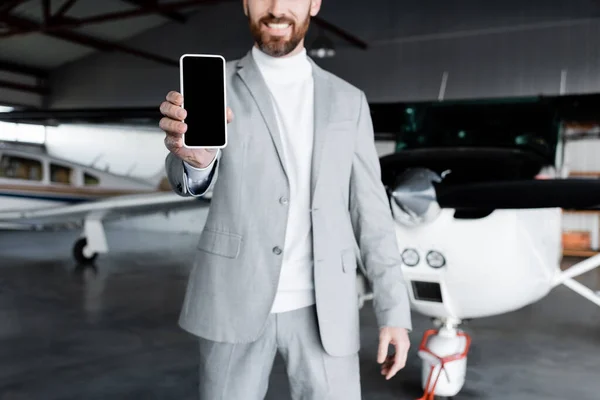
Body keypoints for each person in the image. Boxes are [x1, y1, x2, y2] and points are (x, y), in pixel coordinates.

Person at [159, 0, 412, 398]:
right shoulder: (214, 85)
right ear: (245, 2)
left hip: (325, 308)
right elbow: (185, 175)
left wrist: (394, 310)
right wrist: (196, 161)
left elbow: (371, 213)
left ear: (314, 2)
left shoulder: (350, 101)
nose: (276, 8)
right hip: (232, 298)